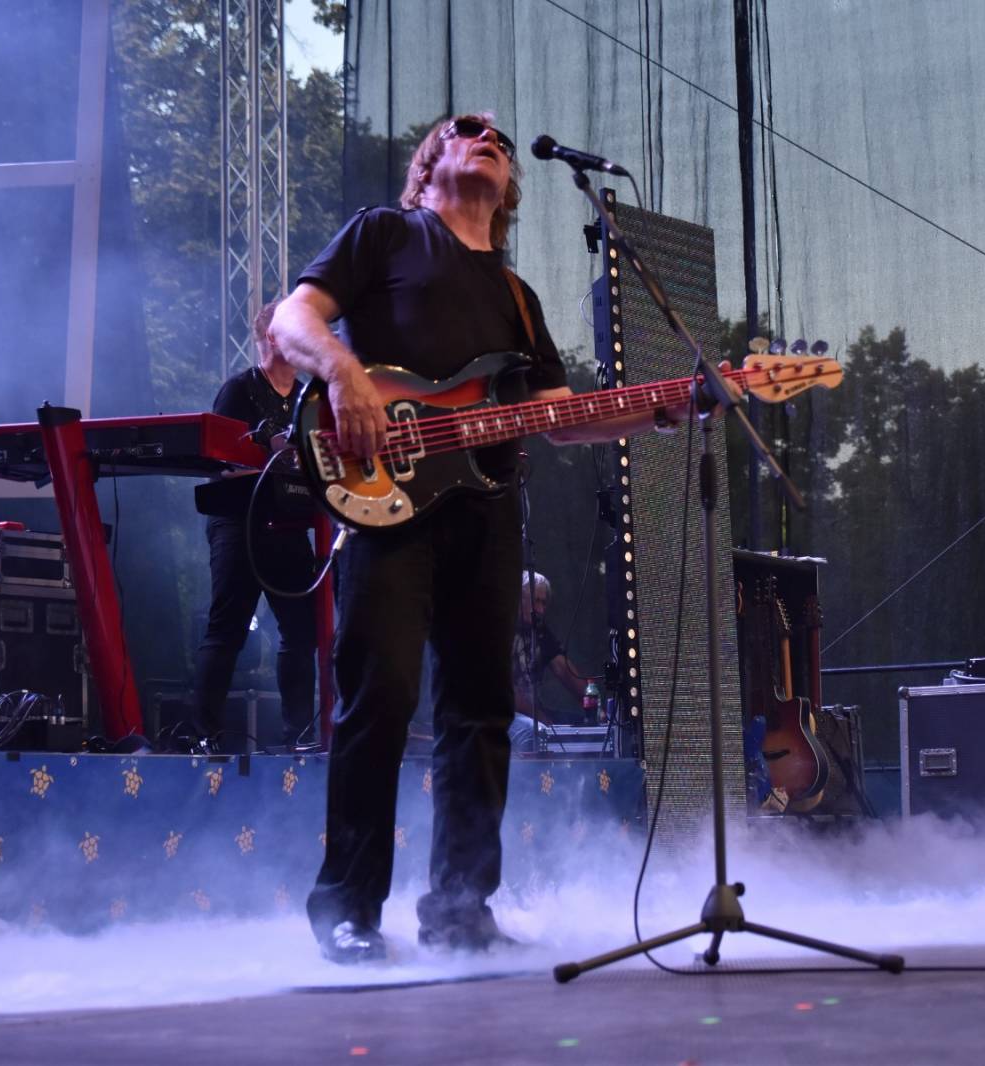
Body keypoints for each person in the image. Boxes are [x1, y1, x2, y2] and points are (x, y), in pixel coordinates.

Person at [272, 112, 692, 964]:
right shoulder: (386, 233)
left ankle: (462, 910)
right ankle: (348, 910)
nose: (490, 136)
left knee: (482, 711)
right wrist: (344, 374)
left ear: (510, 191)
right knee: (380, 698)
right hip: (385, 502)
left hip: (485, 509)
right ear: (429, 164)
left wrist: (660, 408)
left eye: (500, 137)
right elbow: (292, 320)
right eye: (469, 129)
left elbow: (557, 419)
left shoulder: (516, 297)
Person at [191, 299, 316, 752]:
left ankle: (298, 737)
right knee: (227, 629)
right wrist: (273, 455)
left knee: (302, 631)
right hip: (239, 522)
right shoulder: (239, 390)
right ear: (272, 338)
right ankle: (204, 738)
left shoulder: (308, 398)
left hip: (289, 524)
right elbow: (222, 463)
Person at [510, 570, 592, 752]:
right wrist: (540, 717)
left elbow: (564, 670)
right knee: (533, 733)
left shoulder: (539, 629)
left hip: (533, 713)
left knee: (581, 726)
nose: (540, 609)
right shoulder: (500, 628)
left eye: (543, 603)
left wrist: (594, 705)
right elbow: (506, 692)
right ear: (518, 598)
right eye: (535, 601)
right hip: (501, 714)